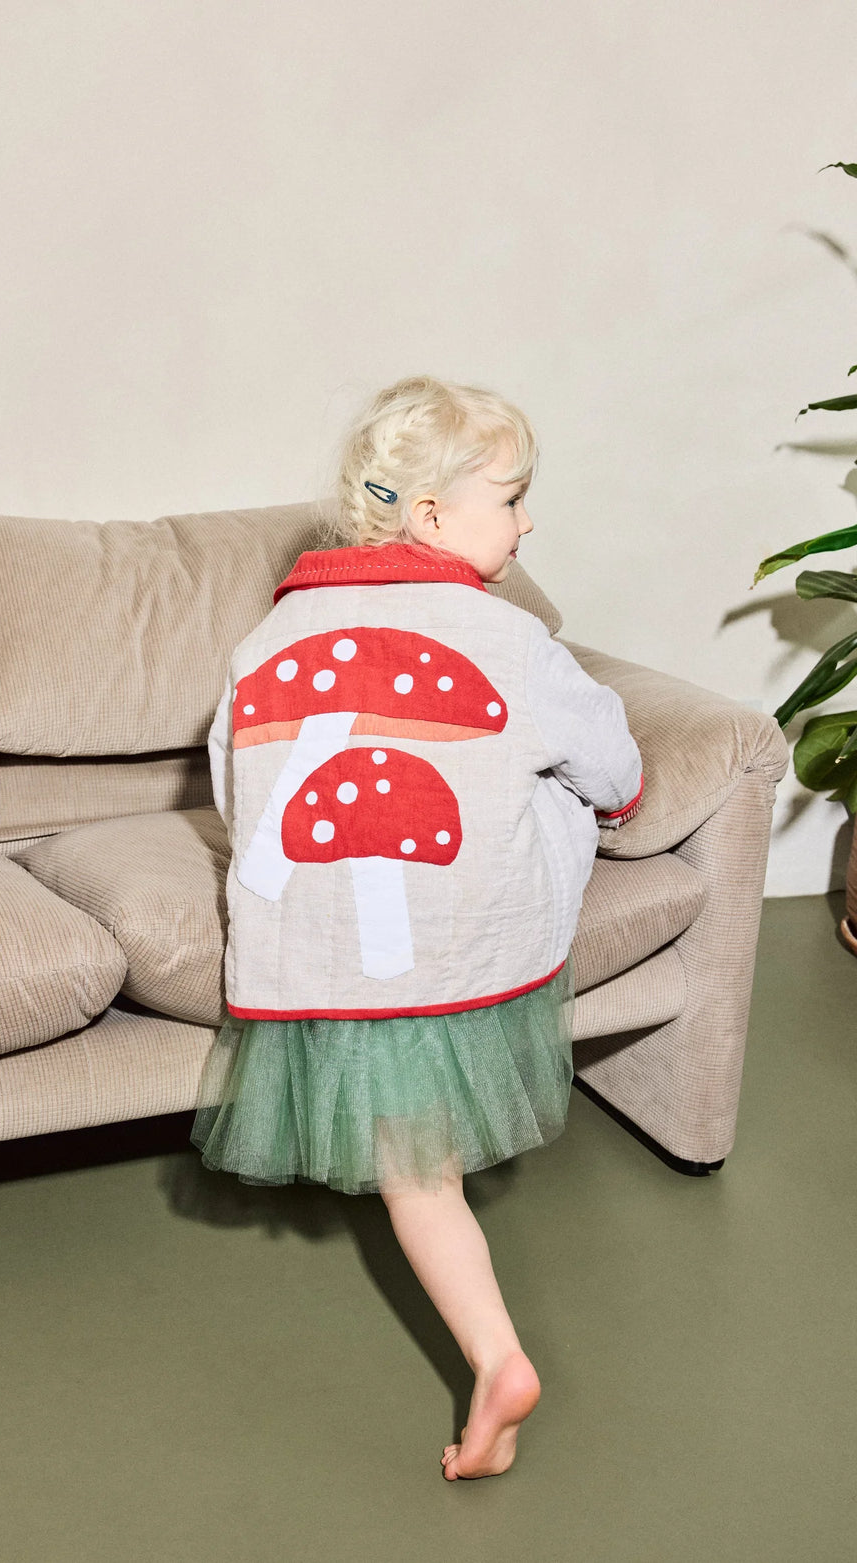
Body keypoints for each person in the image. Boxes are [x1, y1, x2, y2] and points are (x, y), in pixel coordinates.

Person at [190, 374, 644, 1480]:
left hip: (330, 935)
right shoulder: (511, 639)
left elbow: (226, 778)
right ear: (432, 516)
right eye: (512, 496)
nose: (528, 520)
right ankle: (496, 1357)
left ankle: (495, 1362)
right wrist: (603, 802)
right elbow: (617, 768)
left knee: (413, 1171)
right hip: (463, 924)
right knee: (424, 1170)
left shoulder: (269, 637)